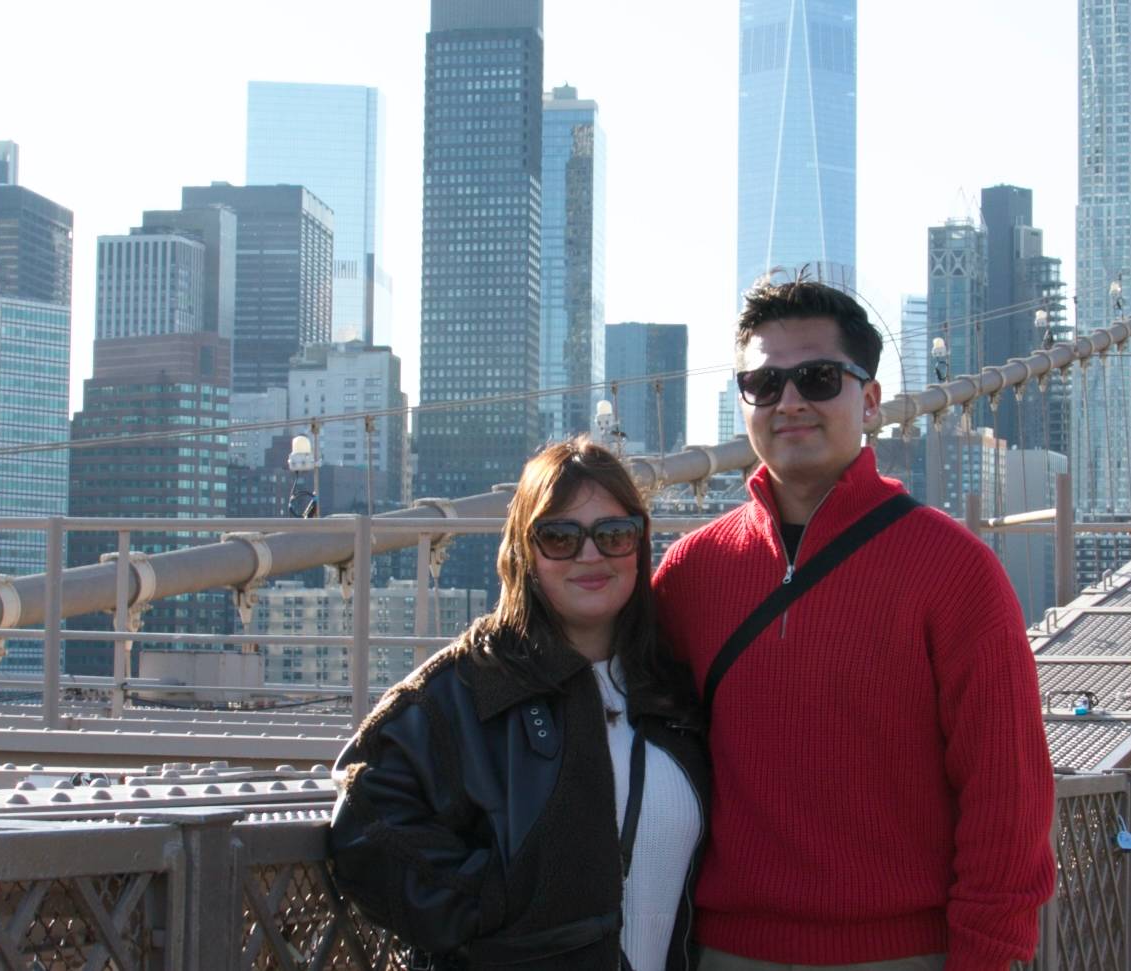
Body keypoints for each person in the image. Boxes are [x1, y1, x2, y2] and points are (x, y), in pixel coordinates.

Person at [653, 274, 1055, 971]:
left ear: (869, 401)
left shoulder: (957, 572)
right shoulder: (691, 572)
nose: (790, 402)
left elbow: (1007, 798)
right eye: (764, 384)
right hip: (724, 953)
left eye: (817, 378)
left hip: (903, 955)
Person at [330, 438, 709, 971]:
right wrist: (496, 907)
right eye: (558, 536)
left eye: (615, 534)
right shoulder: (467, 686)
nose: (591, 555)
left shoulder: (671, 689)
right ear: (522, 551)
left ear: (640, 545)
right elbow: (364, 817)